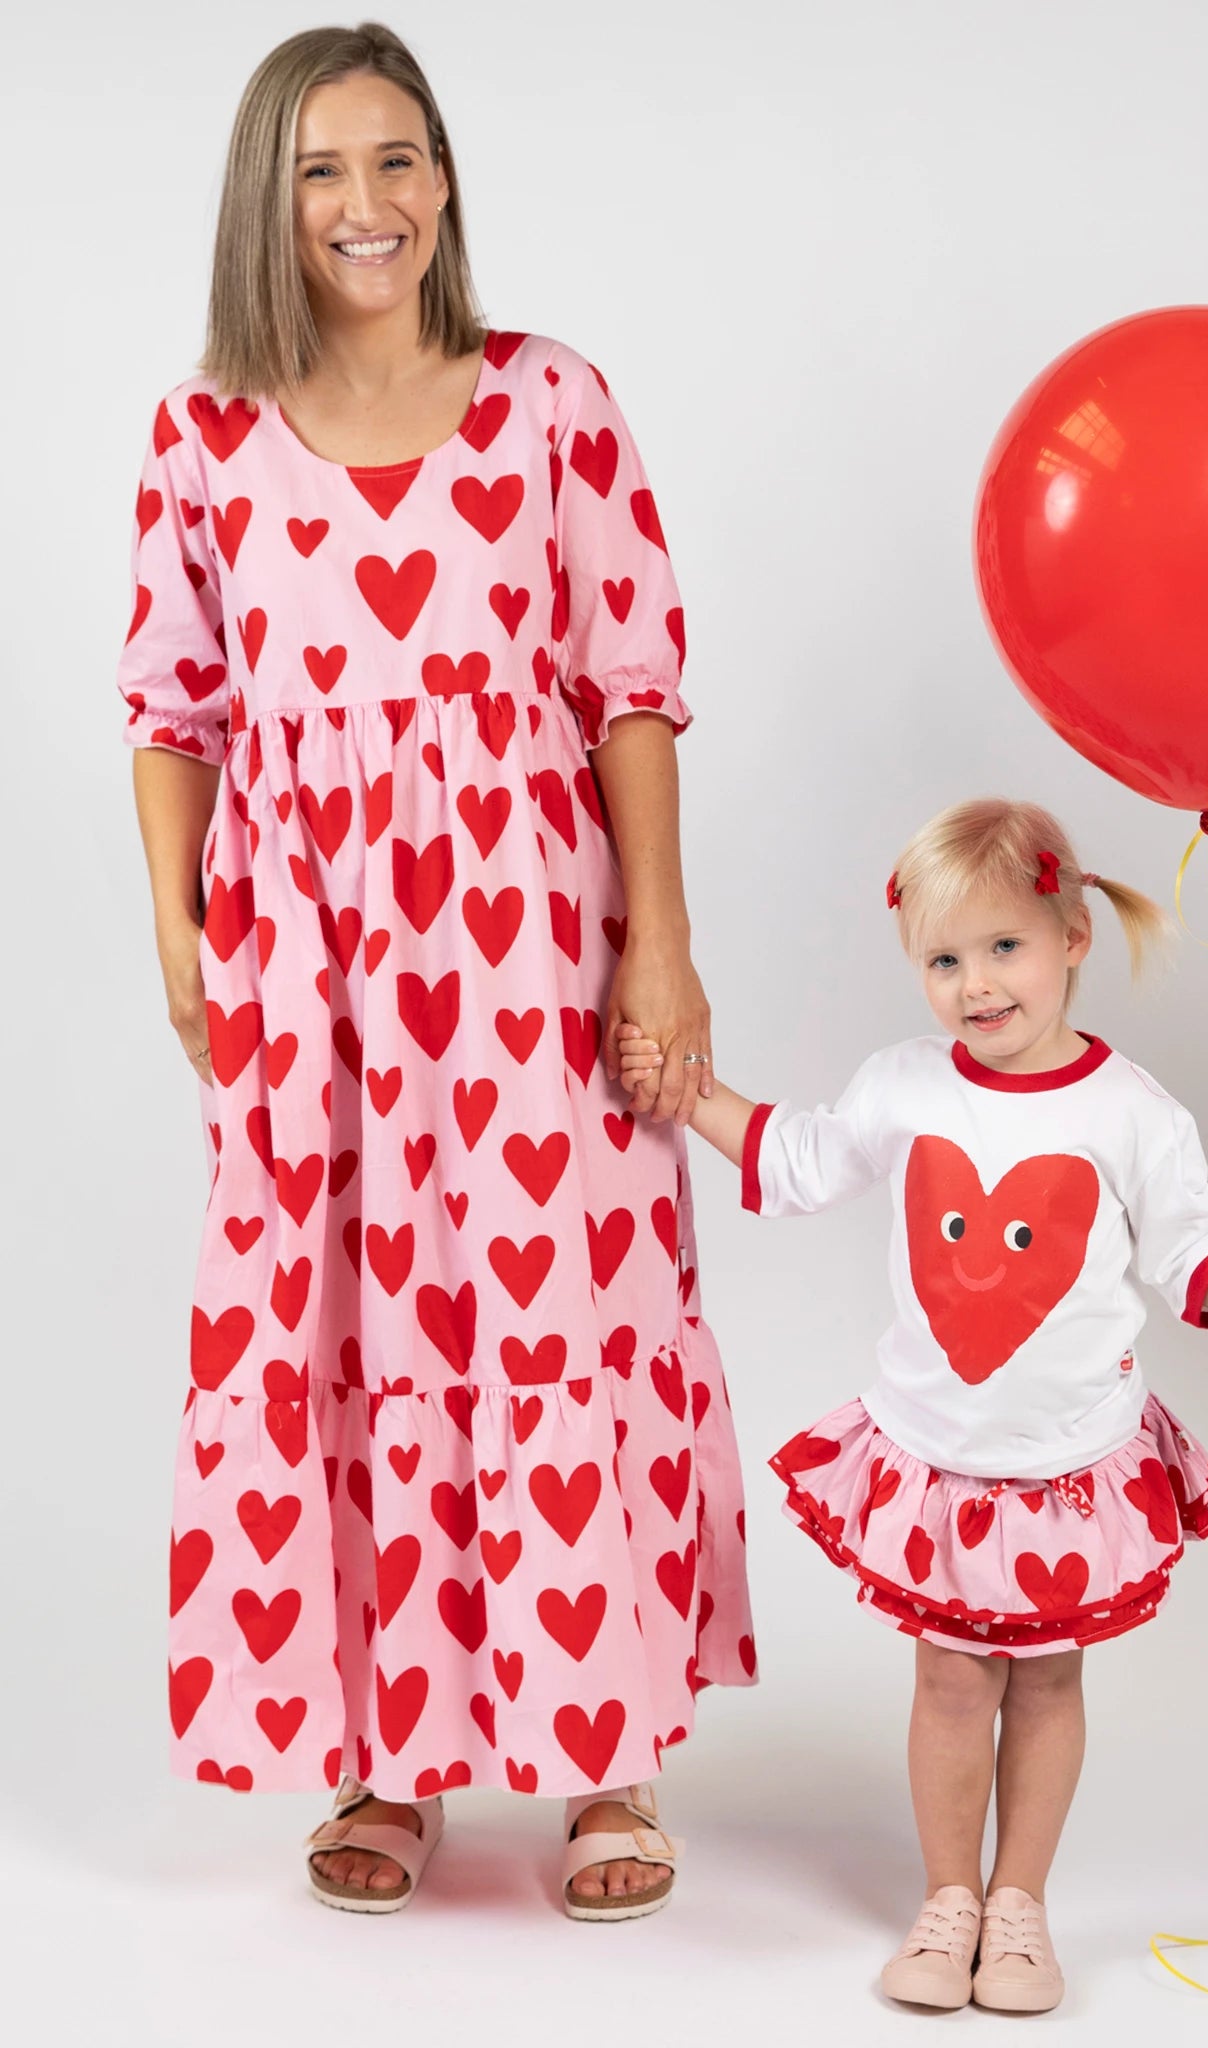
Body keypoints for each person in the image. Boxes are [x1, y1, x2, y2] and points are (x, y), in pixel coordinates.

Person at [119, 21, 754, 1919]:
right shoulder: (200, 433)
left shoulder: (551, 403)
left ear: (446, 180)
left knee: (554, 1294)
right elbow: (173, 707)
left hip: (525, 945)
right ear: (269, 197)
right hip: (310, 960)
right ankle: (382, 1750)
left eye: (396, 161)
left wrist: (664, 938)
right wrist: (181, 930)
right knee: (338, 1309)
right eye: (321, 170)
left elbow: (628, 684)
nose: (364, 204)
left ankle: (601, 1749)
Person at [619, 796, 1208, 2009]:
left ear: (1072, 938)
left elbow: (1187, 1228)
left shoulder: (1129, 1109)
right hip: (941, 1457)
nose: (978, 984)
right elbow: (800, 1153)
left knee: (1047, 1678)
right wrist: (693, 1091)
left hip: (1069, 1459)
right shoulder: (902, 1086)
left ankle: (1020, 1902)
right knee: (950, 1675)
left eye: (1005, 949)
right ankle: (947, 1901)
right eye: (946, 959)